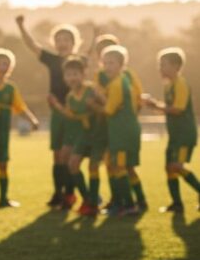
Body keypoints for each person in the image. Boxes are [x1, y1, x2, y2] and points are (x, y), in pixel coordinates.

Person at [16, 16, 94, 207]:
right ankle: (58, 194)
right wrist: (21, 26)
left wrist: (96, 35)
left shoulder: (79, 60)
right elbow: (32, 45)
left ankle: (70, 194)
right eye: (58, 40)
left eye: (66, 40)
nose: (62, 43)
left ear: (74, 42)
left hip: (74, 114)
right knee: (57, 156)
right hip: (57, 114)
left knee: (69, 156)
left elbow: (92, 52)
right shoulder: (52, 60)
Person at [91, 33, 146, 210]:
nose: (107, 66)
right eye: (105, 62)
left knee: (120, 167)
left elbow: (108, 109)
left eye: (111, 62)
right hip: (118, 130)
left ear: (121, 64)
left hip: (122, 131)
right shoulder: (113, 79)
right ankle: (131, 201)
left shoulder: (119, 82)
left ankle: (128, 204)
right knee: (118, 166)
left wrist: (93, 104)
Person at [143, 47, 200, 212]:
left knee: (176, 166)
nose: (160, 68)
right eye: (159, 65)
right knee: (169, 168)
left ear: (176, 66)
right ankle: (177, 204)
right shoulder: (169, 86)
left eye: (163, 65)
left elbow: (177, 109)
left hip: (184, 135)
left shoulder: (180, 84)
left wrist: (154, 104)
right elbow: (167, 109)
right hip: (174, 135)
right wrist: (153, 104)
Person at [0, 48, 39, 207]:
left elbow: (19, 107)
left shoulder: (10, 88)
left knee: (3, 163)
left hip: (3, 130)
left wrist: (32, 120)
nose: (3, 67)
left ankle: (3, 198)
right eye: (0, 64)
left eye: (6, 64)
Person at [48, 57, 101, 216]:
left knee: (90, 167)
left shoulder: (91, 90)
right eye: (68, 75)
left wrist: (96, 109)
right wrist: (56, 105)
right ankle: (86, 199)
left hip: (93, 134)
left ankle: (93, 200)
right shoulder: (70, 96)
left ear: (83, 74)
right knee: (71, 163)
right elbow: (70, 116)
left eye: (75, 74)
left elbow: (104, 108)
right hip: (80, 134)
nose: (72, 78)